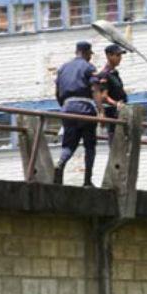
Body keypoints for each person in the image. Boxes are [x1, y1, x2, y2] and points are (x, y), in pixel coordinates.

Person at [54, 41, 103, 187]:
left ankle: (60, 164)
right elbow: (95, 89)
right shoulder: (89, 67)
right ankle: (87, 180)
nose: (90, 57)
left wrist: (65, 107)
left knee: (69, 145)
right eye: (90, 54)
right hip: (85, 110)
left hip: (67, 109)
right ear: (86, 52)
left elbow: (57, 93)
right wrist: (101, 111)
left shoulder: (63, 68)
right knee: (89, 146)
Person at [97, 44, 128, 140]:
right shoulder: (105, 74)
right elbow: (104, 97)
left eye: (120, 55)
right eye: (117, 55)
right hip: (113, 113)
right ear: (109, 56)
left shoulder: (114, 73)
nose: (120, 58)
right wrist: (116, 104)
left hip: (120, 112)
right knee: (116, 141)